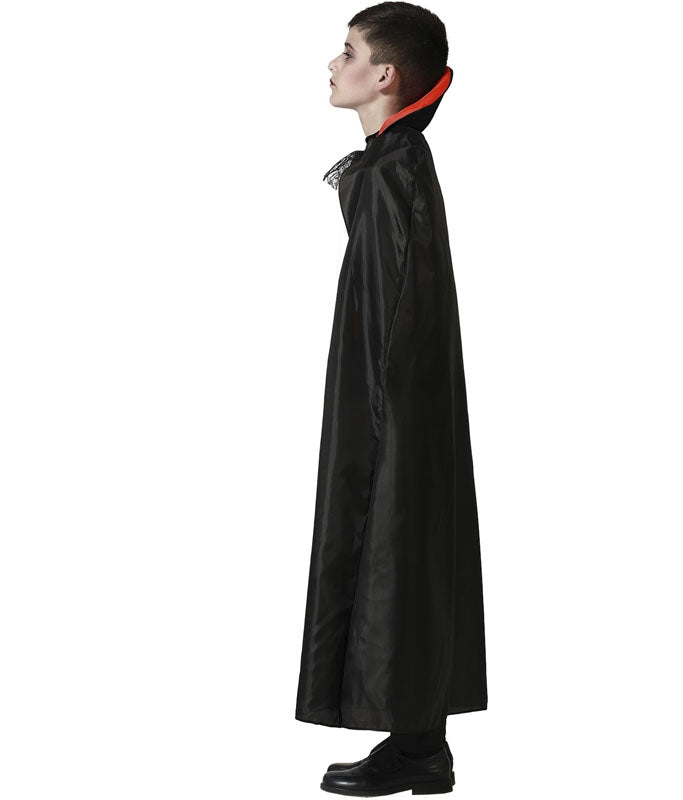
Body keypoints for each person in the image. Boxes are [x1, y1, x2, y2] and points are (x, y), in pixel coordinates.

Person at [295, 3, 488, 794]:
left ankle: (416, 748)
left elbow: (392, 315)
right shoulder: (397, 161)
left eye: (347, 52)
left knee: (392, 549)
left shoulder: (392, 170)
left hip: (392, 404)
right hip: (398, 398)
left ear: (384, 75)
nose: (331, 64)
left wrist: (376, 431)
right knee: (407, 554)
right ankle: (420, 746)